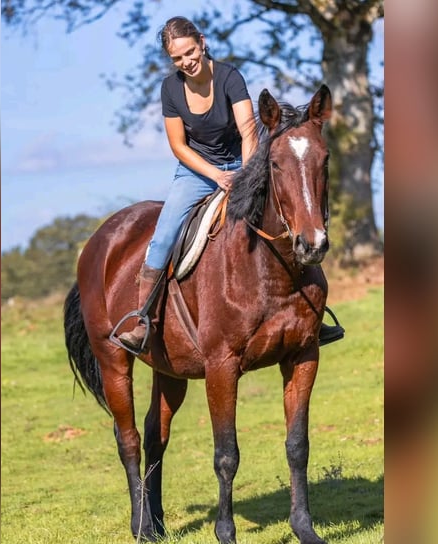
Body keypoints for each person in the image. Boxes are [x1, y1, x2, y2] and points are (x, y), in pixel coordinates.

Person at [118, 16, 344, 353]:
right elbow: (179, 146)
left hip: (242, 163)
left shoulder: (229, 77)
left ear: (202, 43)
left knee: (289, 211)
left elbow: (248, 131)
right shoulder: (170, 89)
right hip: (196, 172)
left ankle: (311, 312)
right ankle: (142, 320)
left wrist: (245, 175)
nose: (187, 62)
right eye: (177, 58)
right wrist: (215, 175)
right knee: (163, 235)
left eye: (190, 53)